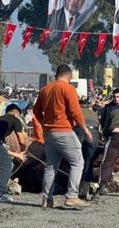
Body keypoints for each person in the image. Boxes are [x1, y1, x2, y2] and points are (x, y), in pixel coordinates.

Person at [32, 64, 92, 209]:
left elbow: (36, 110)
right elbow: (75, 111)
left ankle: (47, 199)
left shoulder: (45, 89)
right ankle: (72, 196)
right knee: (77, 161)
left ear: (56, 75)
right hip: (64, 130)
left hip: (48, 133)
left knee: (51, 166)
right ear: (69, 76)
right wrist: (85, 129)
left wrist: (44, 123)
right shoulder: (68, 88)